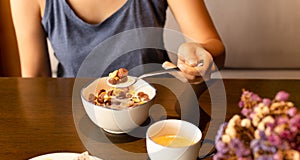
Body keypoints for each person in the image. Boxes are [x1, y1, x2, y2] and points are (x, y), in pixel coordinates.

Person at [10, 0, 225, 83]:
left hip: (156, 111)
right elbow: (35, 80)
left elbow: (214, 46)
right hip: (73, 116)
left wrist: (200, 54)